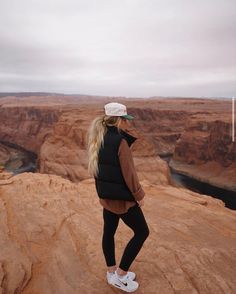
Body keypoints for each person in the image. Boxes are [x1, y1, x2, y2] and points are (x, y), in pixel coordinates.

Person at [87, 102, 149, 292]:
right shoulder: (120, 142)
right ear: (119, 120)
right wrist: (139, 195)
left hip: (106, 196)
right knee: (142, 232)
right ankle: (120, 276)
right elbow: (129, 173)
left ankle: (111, 272)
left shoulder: (99, 136)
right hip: (122, 199)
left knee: (109, 232)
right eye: (125, 120)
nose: (127, 124)